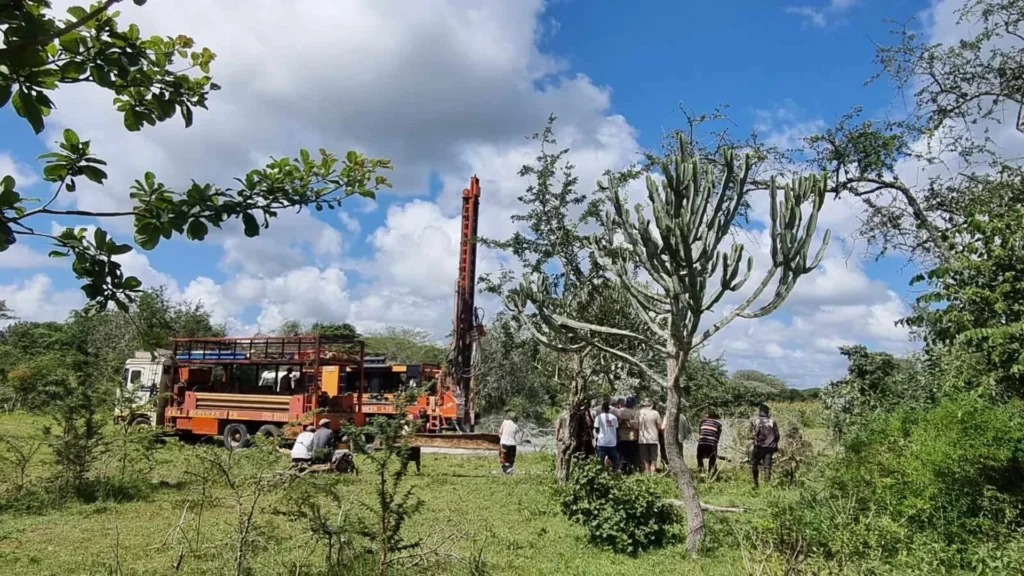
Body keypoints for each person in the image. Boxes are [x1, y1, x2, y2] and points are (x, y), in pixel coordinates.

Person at [750, 404, 781, 488]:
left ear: (759, 411)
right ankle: (767, 486)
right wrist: (775, 445)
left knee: (754, 464)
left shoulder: (755, 421)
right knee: (767, 467)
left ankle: (756, 483)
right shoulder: (772, 421)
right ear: (767, 412)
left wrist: (754, 438)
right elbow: (777, 435)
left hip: (759, 447)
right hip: (770, 447)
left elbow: (750, 434)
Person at [636, 400, 662, 474]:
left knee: (644, 457)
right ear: (651, 405)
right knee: (653, 457)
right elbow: (659, 426)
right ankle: (653, 472)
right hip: (654, 438)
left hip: (642, 439)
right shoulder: (655, 413)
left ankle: (647, 472)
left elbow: (635, 426)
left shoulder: (638, 413)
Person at [594, 400, 620, 470]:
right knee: (615, 462)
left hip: (602, 442)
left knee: (600, 463)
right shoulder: (614, 418)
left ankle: (602, 476)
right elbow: (617, 429)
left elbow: (596, 430)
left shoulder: (598, 418)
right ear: (609, 409)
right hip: (612, 443)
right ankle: (615, 475)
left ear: (602, 409)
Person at [696, 410, 723, 477]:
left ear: (707, 416)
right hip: (712, 444)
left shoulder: (702, 421)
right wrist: (716, 442)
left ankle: (700, 471)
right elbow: (718, 435)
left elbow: (700, 432)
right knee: (712, 458)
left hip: (702, 442)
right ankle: (710, 473)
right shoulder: (718, 424)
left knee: (699, 457)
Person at [616, 397, 639, 473]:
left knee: (621, 454)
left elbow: (617, 424)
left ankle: (620, 468)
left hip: (621, 435)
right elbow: (636, 426)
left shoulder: (620, 411)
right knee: (631, 454)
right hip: (632, 436)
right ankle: (630, 469)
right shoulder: (635, 413)